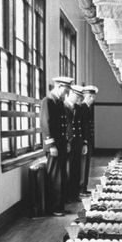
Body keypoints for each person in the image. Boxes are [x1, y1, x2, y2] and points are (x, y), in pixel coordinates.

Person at [40, 75, 72, 215]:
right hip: (54, 146)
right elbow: (45, 124)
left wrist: (66, 143)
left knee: (62, 176)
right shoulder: (47, 102)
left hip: (61, 145)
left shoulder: (58, 102)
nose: (66, 94)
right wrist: (51, 144)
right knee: (55, 177)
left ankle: (61, 205)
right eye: (65, 90)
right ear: (59, 86)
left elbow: (63, 126)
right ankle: (54, 208)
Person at [65, 84, 88, 202]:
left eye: (81, 98)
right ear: (72, 94)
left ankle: (75, 194)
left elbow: (82, 126)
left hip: (78, 142)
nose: (80, 100)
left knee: (76, 169)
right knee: (68, 170)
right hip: (69, 143)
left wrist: (84, 143)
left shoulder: (77, 108)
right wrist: (66, 142)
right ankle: (68, 195)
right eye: (78, 97)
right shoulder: (64, 107)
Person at [79, 84, 98, 197]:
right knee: (83, 165)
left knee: (86, 166)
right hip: (84, 141)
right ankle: (82, 188)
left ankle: (84, 187)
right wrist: (85, 142)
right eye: (92, 97)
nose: (93, 99)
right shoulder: (82, 108)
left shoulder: (87, 108)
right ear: (88, 96)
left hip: (88, 140)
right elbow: (83, 127)